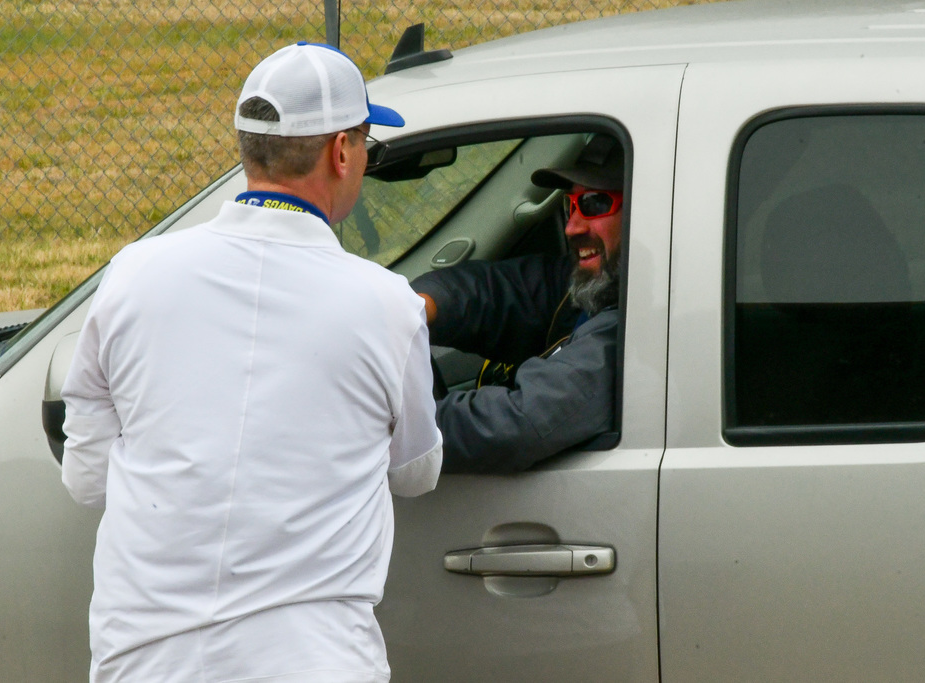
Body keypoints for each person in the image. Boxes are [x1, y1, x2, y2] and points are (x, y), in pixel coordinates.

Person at [61, 42, 442, 683]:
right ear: (341, 152)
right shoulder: (387, 306)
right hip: (316, 663)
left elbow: (86, 480)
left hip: (148, 663)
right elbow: (416, 472)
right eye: (366, 145)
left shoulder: (133, 274)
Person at [412, 134, 623, 473]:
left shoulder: (636, 333)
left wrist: (390, 423)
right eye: (571, 205)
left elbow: (518, 424)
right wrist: (412, 307)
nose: (571, 227)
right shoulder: (595, 285)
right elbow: (498, 292)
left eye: (596, 204)